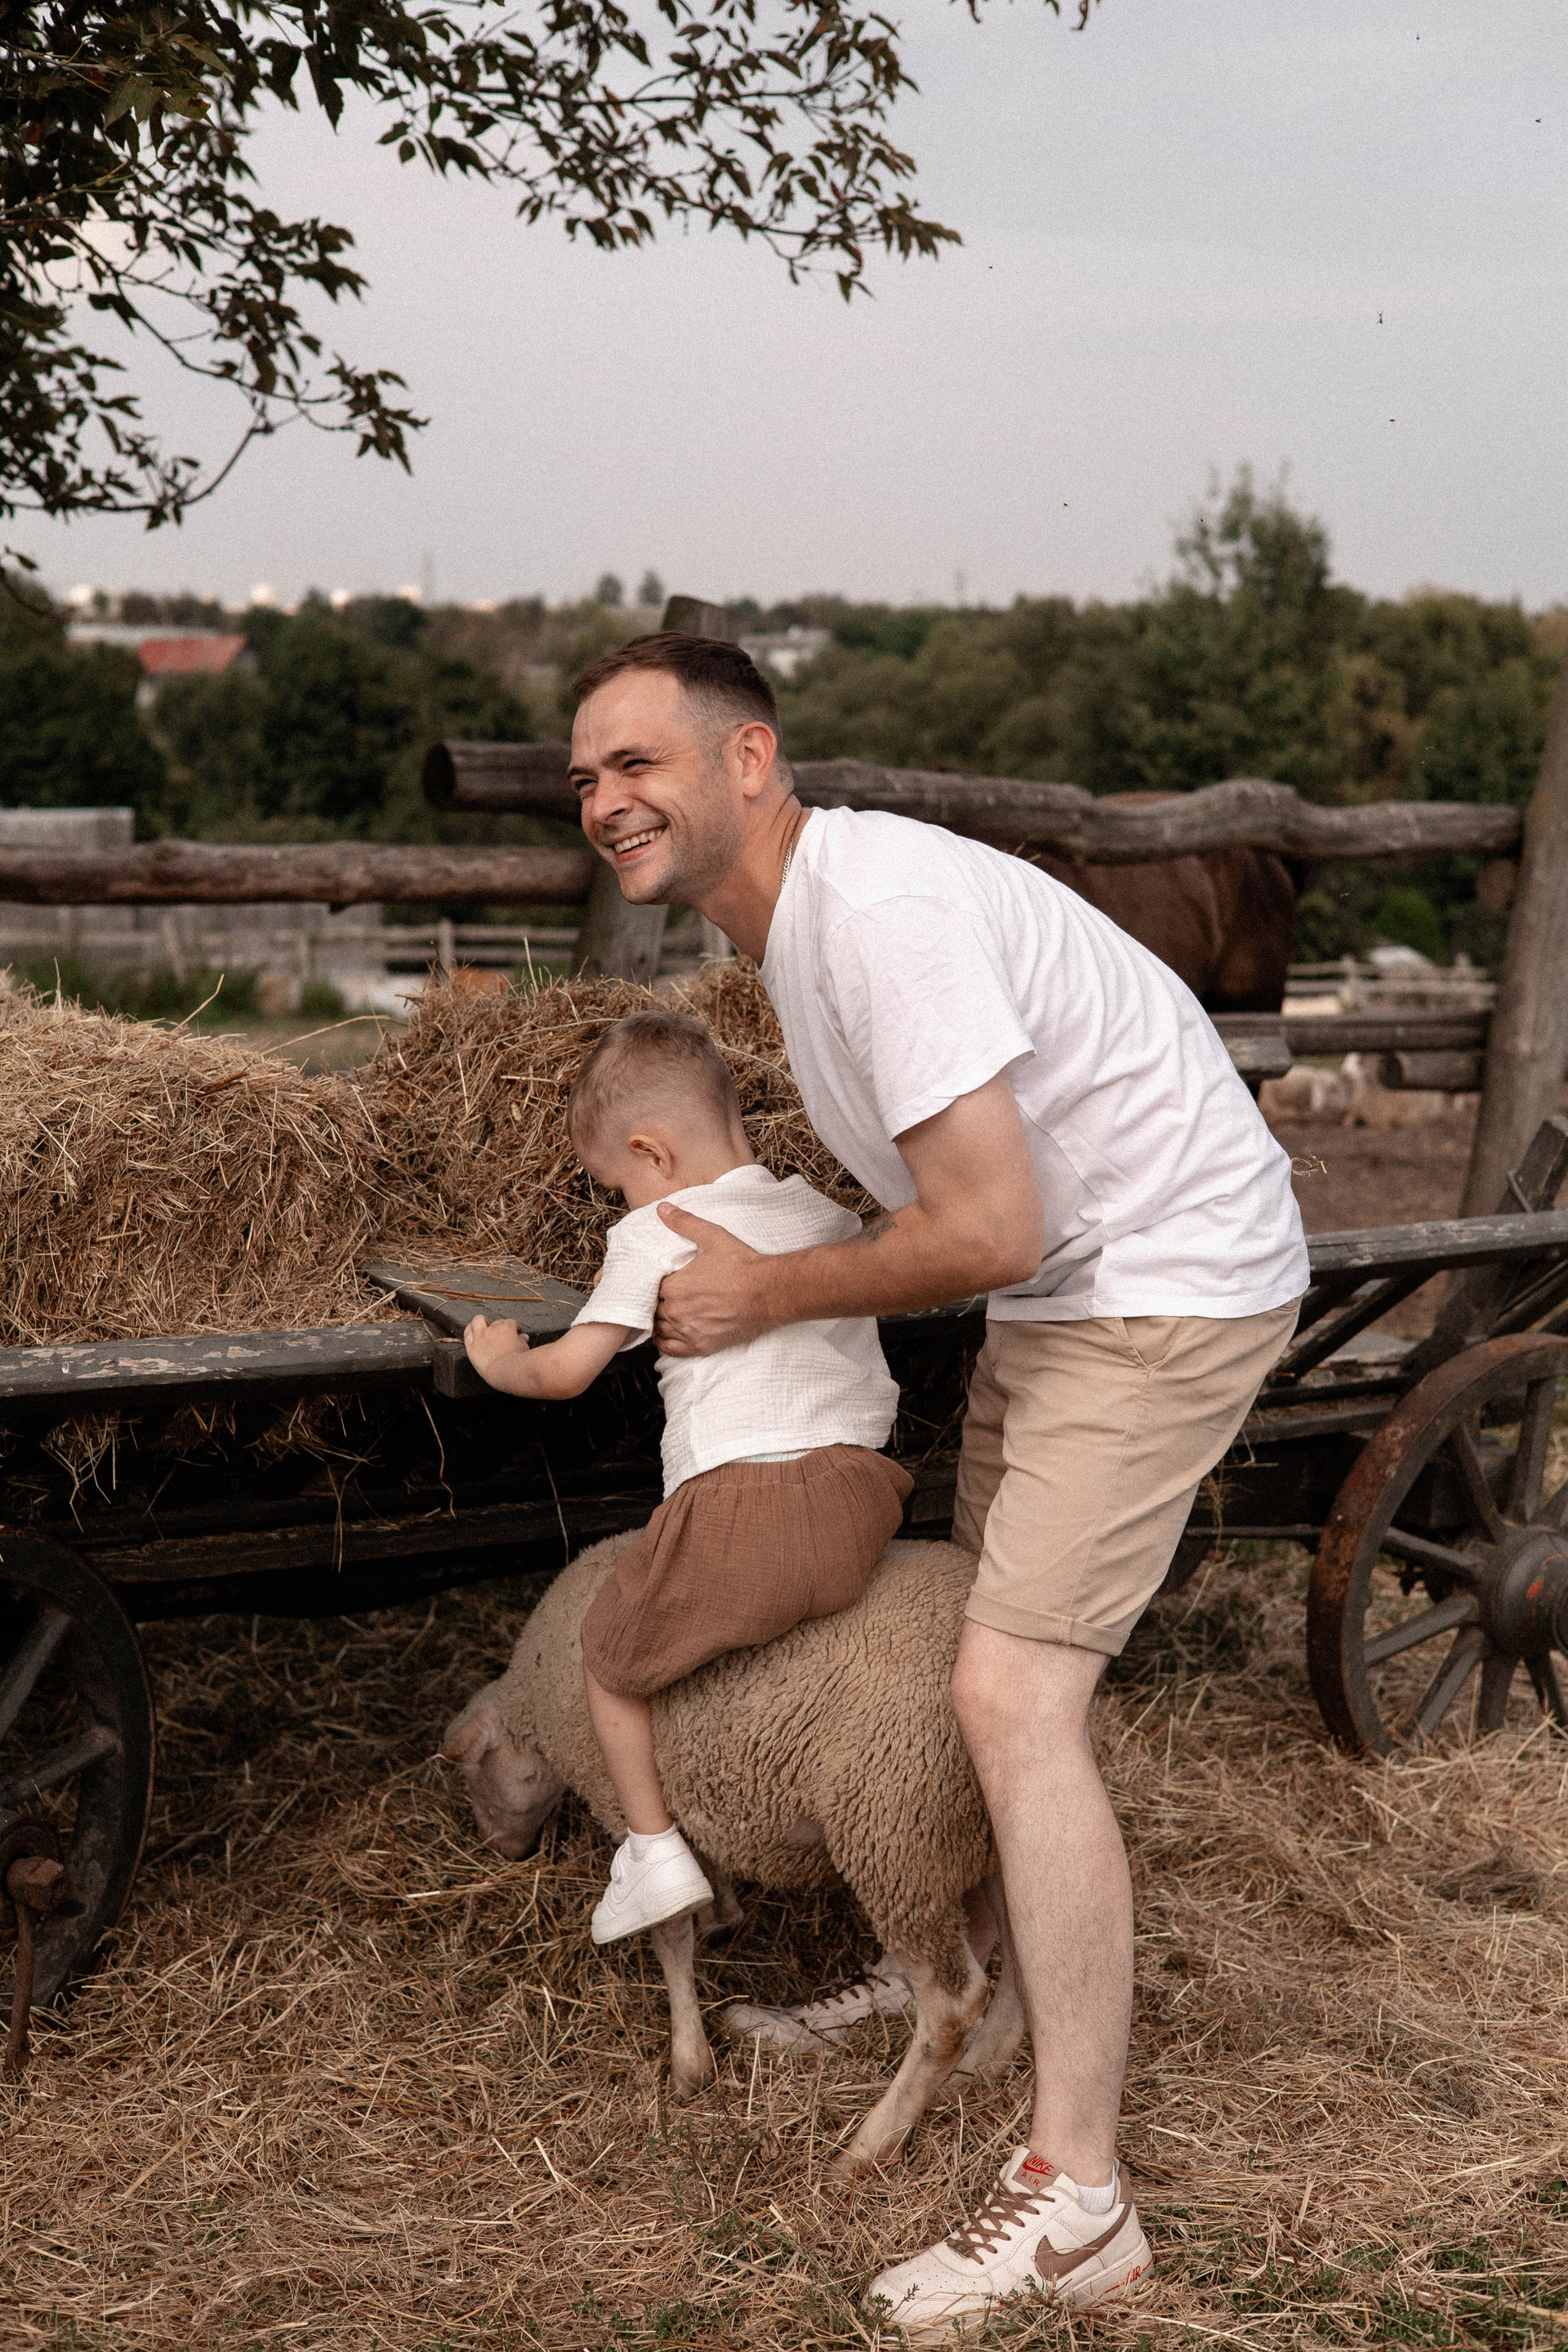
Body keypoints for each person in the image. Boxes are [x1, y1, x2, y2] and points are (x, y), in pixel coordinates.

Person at [564, 632, 1310, 2330]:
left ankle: (1080, 2199)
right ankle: (965, 1984)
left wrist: (765, 1294)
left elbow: (985, 1227)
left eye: (639, 762)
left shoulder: (877, 918)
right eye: (588, 777)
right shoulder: (796, 933)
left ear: (751, 759)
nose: (606, 800)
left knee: (1012, 1692)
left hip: (1168, 1276)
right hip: (1074, 1285)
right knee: (975, 1647)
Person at [462, 1007, 911, 1946]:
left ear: (651, 1153)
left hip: (744, 1511)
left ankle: (654, 1852)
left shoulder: (657, 1232)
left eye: (615, 1185)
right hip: (865, 1500)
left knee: (608, 1660)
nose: (621, 1204)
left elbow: (568, 1372)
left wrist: (502, 1362)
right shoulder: (824, 1214)